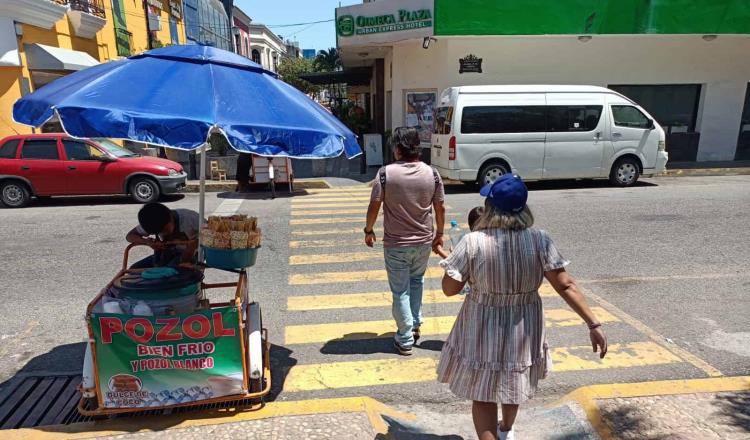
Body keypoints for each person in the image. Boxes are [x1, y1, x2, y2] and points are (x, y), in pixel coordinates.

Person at [436, 174, 608, 440]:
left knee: (483, 394)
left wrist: (454, 261)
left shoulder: (472, 242)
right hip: (524, 325)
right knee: (512, 381)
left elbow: (449, 290)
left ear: (490, 207)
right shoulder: (540, 240)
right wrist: (593, 323)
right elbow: (565, 285)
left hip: (482, 322)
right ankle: (506, 430)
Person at [364, 126, 446, 356]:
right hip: (423, 241)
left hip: (397, 244)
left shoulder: (385, 174)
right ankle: (415, 324)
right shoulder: (433, 174)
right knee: (416, 281)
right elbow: (439, 206)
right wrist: (439, 234)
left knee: (401, 290)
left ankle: (405, 336)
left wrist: (368, 230)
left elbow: (374, 206)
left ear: (398, 149)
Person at [126, 203, 201, 268]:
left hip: (193, 255)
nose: (163, 234)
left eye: (165, 230)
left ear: (171, 217)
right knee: (133, 270)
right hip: (166, 254)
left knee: (167, 272)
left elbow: (211, 235)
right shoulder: (150, 221)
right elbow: (130, 236)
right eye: (158, 232)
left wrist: (194, 245)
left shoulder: (191, 218)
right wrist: (146, 242)